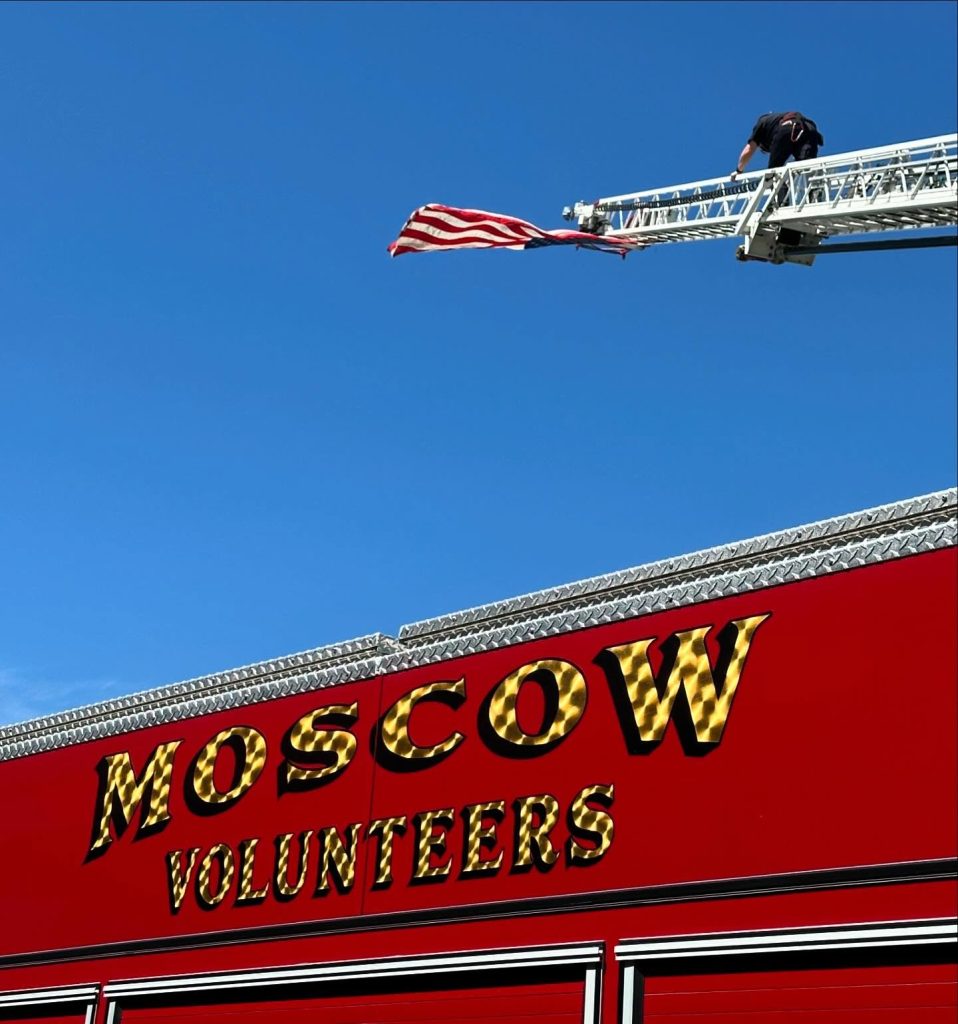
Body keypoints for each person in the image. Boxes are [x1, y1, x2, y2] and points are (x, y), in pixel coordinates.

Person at [730, 112, 824, 180]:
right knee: (808, 167)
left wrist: (739, 171)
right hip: (810, 131)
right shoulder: (776, 120)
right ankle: (816, 194)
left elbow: (749, 149)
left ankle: (780, 203)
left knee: (774, 173)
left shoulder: (762, 122)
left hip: (788, 128)